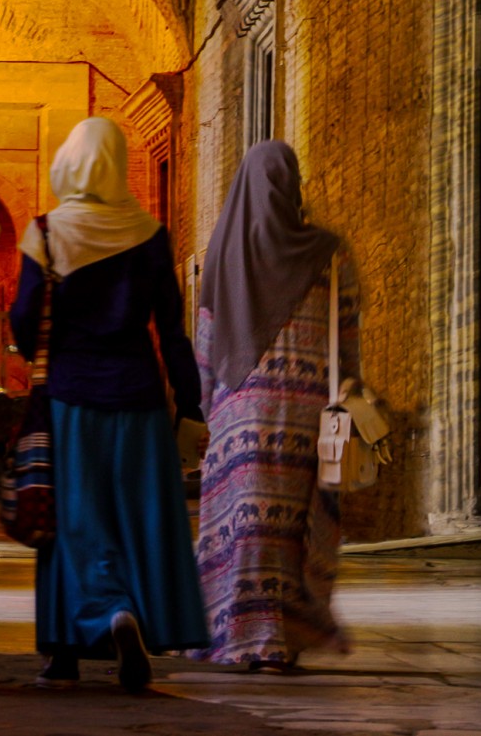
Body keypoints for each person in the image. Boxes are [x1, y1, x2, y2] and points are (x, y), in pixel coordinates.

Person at [9, 116, 209, 693]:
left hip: (71, 399)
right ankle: (123, 624)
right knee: (133, 521)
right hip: (140, 400)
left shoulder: (46, 232)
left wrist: (43, 354)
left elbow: (24, 317)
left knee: (73, 524)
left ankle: (94, 626)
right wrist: (188, 405)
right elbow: (172, 328)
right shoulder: (149, 233)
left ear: (70, 162)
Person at [192, 139, 357, 671]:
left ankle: (235, 633)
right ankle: (281, 636)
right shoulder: (329, 251)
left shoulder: (222, 252)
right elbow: (346, 334)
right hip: (306, 414)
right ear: (293, 186)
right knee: (289, 527)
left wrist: (206, 407)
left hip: (239, 411)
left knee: (242, 525)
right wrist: (348, 389)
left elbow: (205, 341)